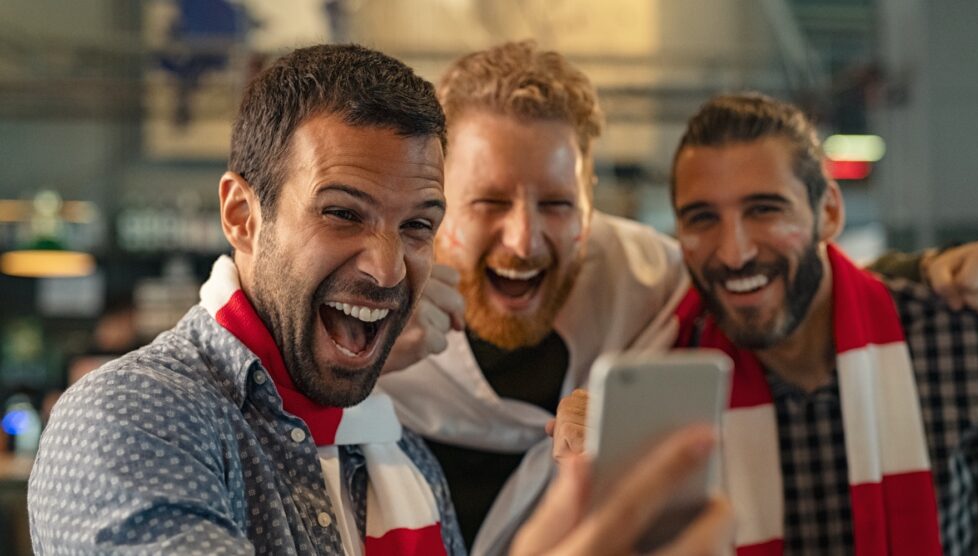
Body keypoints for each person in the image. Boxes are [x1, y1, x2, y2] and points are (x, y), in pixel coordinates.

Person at [25, 43, 737, 556]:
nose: (389, 268)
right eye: (343, 213)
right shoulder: (131, 419)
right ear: (243, 217)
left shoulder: (394, 455)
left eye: (418, 224)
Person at [378, 41, 978, 555]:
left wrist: (929, 270)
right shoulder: (369, 324)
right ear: (439, 200)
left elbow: (793, 284)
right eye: (488, 201)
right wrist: (359, 364)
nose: (522, 241)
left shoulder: (645, 281)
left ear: (590, 202)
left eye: (556, 203)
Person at [663, 93, 978, 554]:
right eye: (702, 218)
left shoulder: (964, 341)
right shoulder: (669, 381)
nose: (735, 253)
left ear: (828, 212)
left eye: (765, 209)